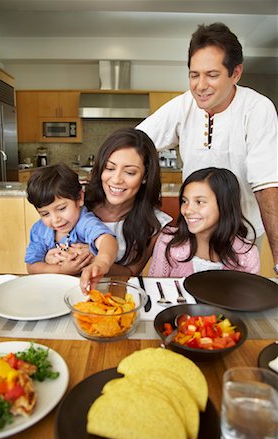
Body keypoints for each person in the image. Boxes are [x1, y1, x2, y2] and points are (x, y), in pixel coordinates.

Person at [137, 22, 278, 275]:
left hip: (242, 234)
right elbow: (137, 142)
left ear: (235, 73)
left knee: (233, 304)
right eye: (194, 75)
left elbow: (266, 184)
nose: (200, 86)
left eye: (212, 75)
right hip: (196, 230)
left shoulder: (258, 109)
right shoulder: (183, 105)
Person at [83, 127, 172, 276]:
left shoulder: (153, 224)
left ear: (145, 177)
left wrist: (95, 260)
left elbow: (131, 273)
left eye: (129, 172)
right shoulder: (79, 204)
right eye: (110, 168)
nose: (116, 179)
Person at [148, 167, 260, 277]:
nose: (187, 210)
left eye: (199, 202)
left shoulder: (247, 254)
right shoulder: (167, 242)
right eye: (184, 201)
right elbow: (154, 291)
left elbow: (249, 295)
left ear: (225, 205)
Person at [25, 163, 118, 291]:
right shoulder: (39, 229)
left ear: (79, 198)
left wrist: (101, 262)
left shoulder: (84, 221)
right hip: (52, 290)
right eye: (45, 214)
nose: (55, 219)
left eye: (62, 208)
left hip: (85, 289)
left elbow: (107, 240)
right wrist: (61, 270)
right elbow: (31, 266)